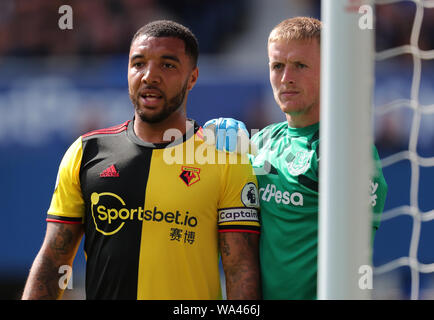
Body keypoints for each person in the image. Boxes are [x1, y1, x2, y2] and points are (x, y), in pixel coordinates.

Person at [22, 20, 261, 300]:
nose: (150, 76)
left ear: (192, 78)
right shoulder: (85, 152)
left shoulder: (226, 159)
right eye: (138, 64)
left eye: (168, 65)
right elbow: (53, 261)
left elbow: (241, 270)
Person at [204, 17, 388, 299]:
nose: (286, 77)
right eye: (277, 66)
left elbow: (352, 261)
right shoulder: (262, 140)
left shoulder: (344, 148)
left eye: (300, 65)